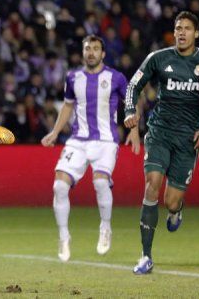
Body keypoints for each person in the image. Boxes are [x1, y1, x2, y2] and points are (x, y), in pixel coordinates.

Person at [124, 11, 199, 274]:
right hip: (159, 132)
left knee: (171, 201)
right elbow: (133, 85)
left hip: (188, 139)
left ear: (196, 33)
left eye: (186, 29)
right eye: (177, 28)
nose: (181, 32)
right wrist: (130, 111)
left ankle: (176, 210)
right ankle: (145, 256)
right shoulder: (159, 58)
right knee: (152, 185)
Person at [41, 35, 140, 262]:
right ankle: (64, 236)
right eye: (88, 48)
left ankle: (105, 227)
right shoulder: (73, 77)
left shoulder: (116, 78)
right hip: (78, 140)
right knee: (58, 186)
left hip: (106, 141)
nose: (91, 52)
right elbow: (67, 107)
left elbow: (131, 104)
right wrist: (55, 133)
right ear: (83, 52)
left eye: (96, 49)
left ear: (103, 53)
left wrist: (134, 131)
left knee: (100, 181)